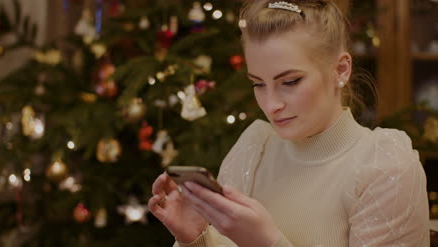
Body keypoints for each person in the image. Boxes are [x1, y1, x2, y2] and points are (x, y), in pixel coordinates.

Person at [148, 0, 430, 246]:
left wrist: (264, 242)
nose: (271, 105)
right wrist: (194, 238)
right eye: (258, 84)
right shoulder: (253, 148)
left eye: (290, 82)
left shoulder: (385, 166)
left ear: (341, 70)